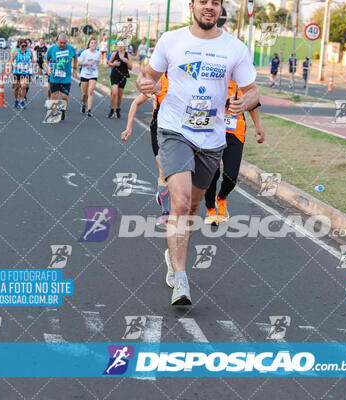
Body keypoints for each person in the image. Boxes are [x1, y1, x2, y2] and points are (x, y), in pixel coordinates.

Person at [136, 0, 259, 306]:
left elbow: (253, 90)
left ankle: (173, 255)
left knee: (191, 208)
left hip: (212, 138)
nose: (209, 7)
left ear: (220, 9)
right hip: (174, 130)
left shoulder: (235, 47)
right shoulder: (171, 40)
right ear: (191, 5)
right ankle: (180, 279)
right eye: (203, 2)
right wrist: (144, 83)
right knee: (178, 203)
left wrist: (245, 103)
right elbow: (148, 76)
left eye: (215, 3)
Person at [204, 80, 265, 225]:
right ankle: (210, 208)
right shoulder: (213, 77)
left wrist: (258, 127)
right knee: (212, 172)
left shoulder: (243, 81)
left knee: (231, 175)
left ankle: (221, 197)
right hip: (212, 130)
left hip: (235, 133)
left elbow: (253, 104)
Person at [121, 74, 171, 226]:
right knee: (164, 171)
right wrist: (128, 128)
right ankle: (166, 211)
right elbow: (135, 103)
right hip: (159, 128)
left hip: (180, 130)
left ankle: (168, 197)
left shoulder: (183, 81)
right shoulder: (157, 85)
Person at [45, 33, 77, 121]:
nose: (62, 45)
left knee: (64, 97)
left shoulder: (71, 49)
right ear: (57, 41)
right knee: (54, 95)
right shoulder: (52, 49)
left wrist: (74, 68)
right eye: (61, 43)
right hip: (54, 76)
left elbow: (75, 56)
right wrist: (48, 68)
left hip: (66, 77)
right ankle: (55, 113)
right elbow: (45, 59)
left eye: (64, 43)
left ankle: (62, 109)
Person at [107, 41, 133, 118]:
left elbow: (130, 68)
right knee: (114, 92)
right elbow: (108, 63)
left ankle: (118, 109)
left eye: (122, 45)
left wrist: (126, 61)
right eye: (119, 46)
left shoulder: (128, 55)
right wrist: (113, 64)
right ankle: (112, 110)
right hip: (114, 75)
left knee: (120, 95)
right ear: (117, 47)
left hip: (123, 76)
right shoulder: (114, 54)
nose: (120, 47)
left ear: (125, 47)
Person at [78, 38, 101, 117]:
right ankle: (84, 104)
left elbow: (98, 62)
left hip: (93, 74)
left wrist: (98, 64)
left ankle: (89, 110)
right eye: (92, 43)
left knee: (90, 91)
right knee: (84, 94)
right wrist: (87, 63)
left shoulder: (98, 53)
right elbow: (78, 63)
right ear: (89, 44)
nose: (93, 44)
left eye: (95, 43)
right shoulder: (85, 52)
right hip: (84, 74)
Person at [10, 38, 34, 109]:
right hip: (17, 72)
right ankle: (16, 100)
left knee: (24, 86)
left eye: (25, 46)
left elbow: (31, 59)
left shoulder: (29, 52)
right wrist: (14, 65)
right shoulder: (16, 52)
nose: (24, 47)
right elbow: (11, 60)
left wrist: (31, 64)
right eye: (22, 46)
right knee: (16, 88)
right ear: (19, 46)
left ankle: (22, 101)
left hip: (25, 71)